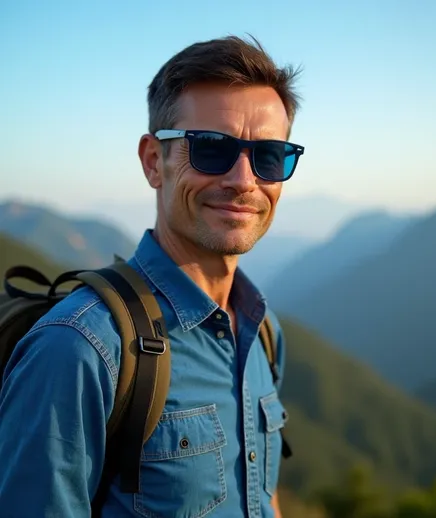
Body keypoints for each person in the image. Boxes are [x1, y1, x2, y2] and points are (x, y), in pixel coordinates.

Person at [0, 35, 304, 517]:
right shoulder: (78, 349)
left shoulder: (262, 332)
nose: (244, 180)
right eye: (210, 148)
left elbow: (261, 495)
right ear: (152, 162)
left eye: (269, 156)